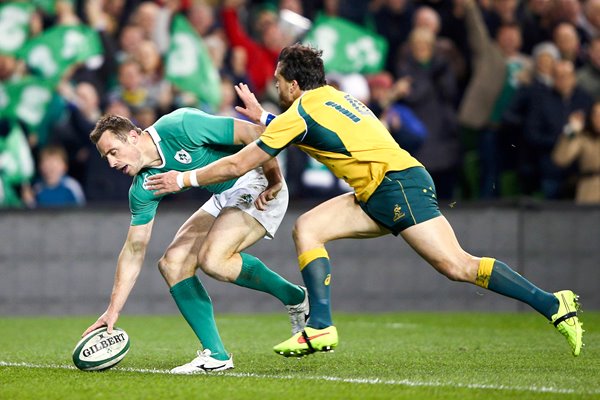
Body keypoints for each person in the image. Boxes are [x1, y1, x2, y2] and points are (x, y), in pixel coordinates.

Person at [146, 44, 584, 358]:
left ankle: (552, 303)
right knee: (308, 228)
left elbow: (239, 164)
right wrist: (262, 116)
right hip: (377, 189)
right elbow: (310, 128)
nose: (274, 86)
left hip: (397, 186)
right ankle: (319, 326)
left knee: (457, 266)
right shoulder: (334, 97)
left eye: (278, 82)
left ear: (294, 84)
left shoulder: (299, 112)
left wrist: (182, 178)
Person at [83, 107, 309, 373]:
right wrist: (113, 311)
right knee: (172, 264)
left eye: (113, 152)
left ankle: (294, 297)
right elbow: (134, 250)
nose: (111, 163)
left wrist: (274, 180)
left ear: (133, 136)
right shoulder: (143, 187)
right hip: (224, 195)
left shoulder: (181, 125)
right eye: (105, 157)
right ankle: (216, 355)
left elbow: (256, 133)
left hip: (257, 182)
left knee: (214, 260)